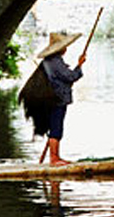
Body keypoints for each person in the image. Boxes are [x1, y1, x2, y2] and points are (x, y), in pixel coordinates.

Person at [36, 31, 86, 165]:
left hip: (51, 97)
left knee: (54, 126)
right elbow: (70, 77)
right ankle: (54, 158)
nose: (66, 48)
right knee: (56, 127)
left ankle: (55, 156)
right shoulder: (55, 61)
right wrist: (80, 65)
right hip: (57, 98)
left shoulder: (48, 61)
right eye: (64, 46)